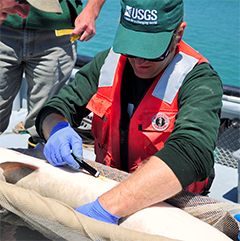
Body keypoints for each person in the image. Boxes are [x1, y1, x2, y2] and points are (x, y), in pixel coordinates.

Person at [35, 0, 223, 225]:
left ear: (179, 33)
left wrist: (106, 208)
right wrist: (56, 129)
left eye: (153, 52)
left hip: (169, 206)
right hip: (105, 186)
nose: (140, 61)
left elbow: (193, 153)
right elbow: (54, 108)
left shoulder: (199, 79)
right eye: (132, 48)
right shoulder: (107, 62)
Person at [0, 0, 106, 143]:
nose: (24, 14)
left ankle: (41, 157)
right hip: (4, 30)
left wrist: (92, 10)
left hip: (58, 32)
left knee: (47, 118)